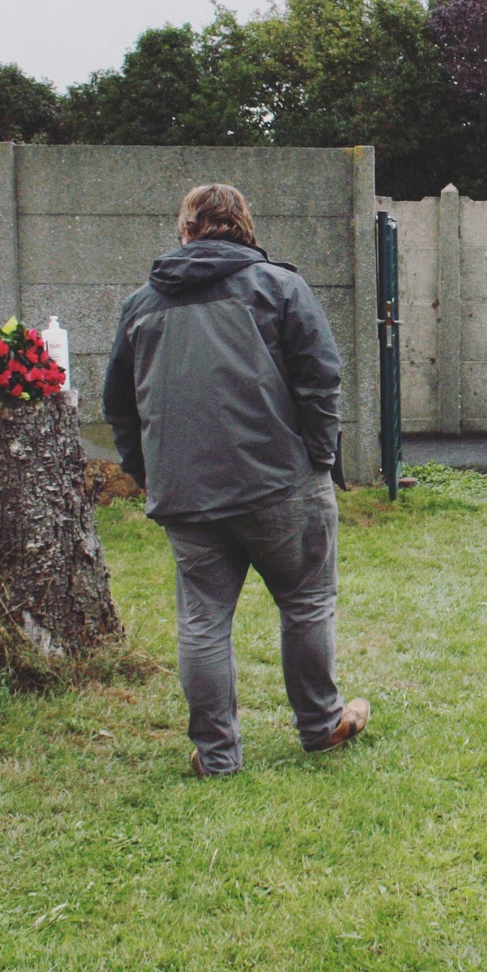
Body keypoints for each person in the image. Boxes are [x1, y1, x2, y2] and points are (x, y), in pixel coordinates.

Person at [103, 183, 368, 776]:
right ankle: (322, 724)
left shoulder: (140, 305)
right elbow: (321, 381)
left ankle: (217, 756)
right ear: (245, 226)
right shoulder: (280, 288)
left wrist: (151, 476)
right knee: (305, 603)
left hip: (186, 495)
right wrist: (318, 461)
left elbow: (119, 408)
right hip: (280, 486)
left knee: (202, 620)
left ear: (187, 230)